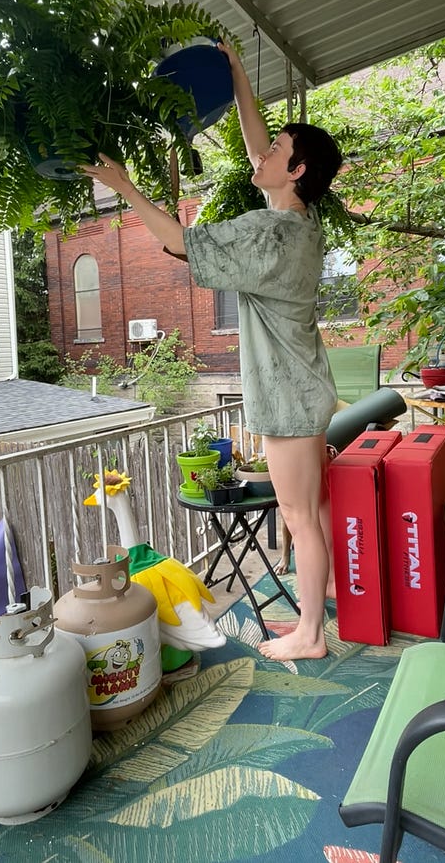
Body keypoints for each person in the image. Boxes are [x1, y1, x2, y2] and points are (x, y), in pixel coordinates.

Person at [81, 40, 342, 661]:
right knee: (313, 510)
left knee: (300, 519)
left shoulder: (269, 233)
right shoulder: (298, 221)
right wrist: (236, 77)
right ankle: (316, 615)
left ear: (297, 171)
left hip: (288, 397)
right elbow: (258, 149)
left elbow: (177, 239)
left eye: (280, 150)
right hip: (303, 387)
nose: (264, 152)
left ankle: (311, 634)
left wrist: (121, 185)